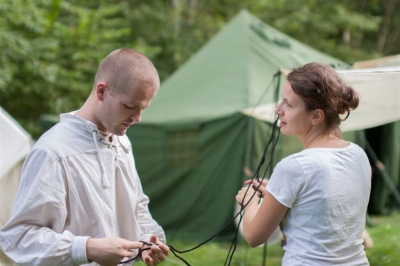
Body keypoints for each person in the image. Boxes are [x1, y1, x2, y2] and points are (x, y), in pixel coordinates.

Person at [0, 49, 170, 266]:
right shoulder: (52, 152)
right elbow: (19, 237)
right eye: (130, 107)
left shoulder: (121, 141)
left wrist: (147, 239)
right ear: (102, 91)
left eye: (143, 108)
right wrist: (87, 248)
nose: (137, 118)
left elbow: (136, 207)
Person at [236, 62, 371, 265]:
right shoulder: (358, 154)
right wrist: (279, 194)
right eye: (281, 100)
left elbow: (254, 237)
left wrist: (250, 202)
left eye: (288, 104)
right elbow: (324, 216)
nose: (277, 109)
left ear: (316, 115)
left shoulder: (294, 166)